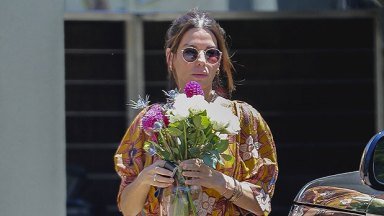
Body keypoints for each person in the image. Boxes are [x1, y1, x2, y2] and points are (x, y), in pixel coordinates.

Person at [114, 9, 278, 216]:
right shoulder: (151, 120)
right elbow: (128, 209)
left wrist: (221, 182)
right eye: (190, 52)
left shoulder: (243, 118)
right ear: (170, 57)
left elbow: (263, 204)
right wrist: (145, 179)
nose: (201, 60)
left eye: (211, 53)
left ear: (218, 62)